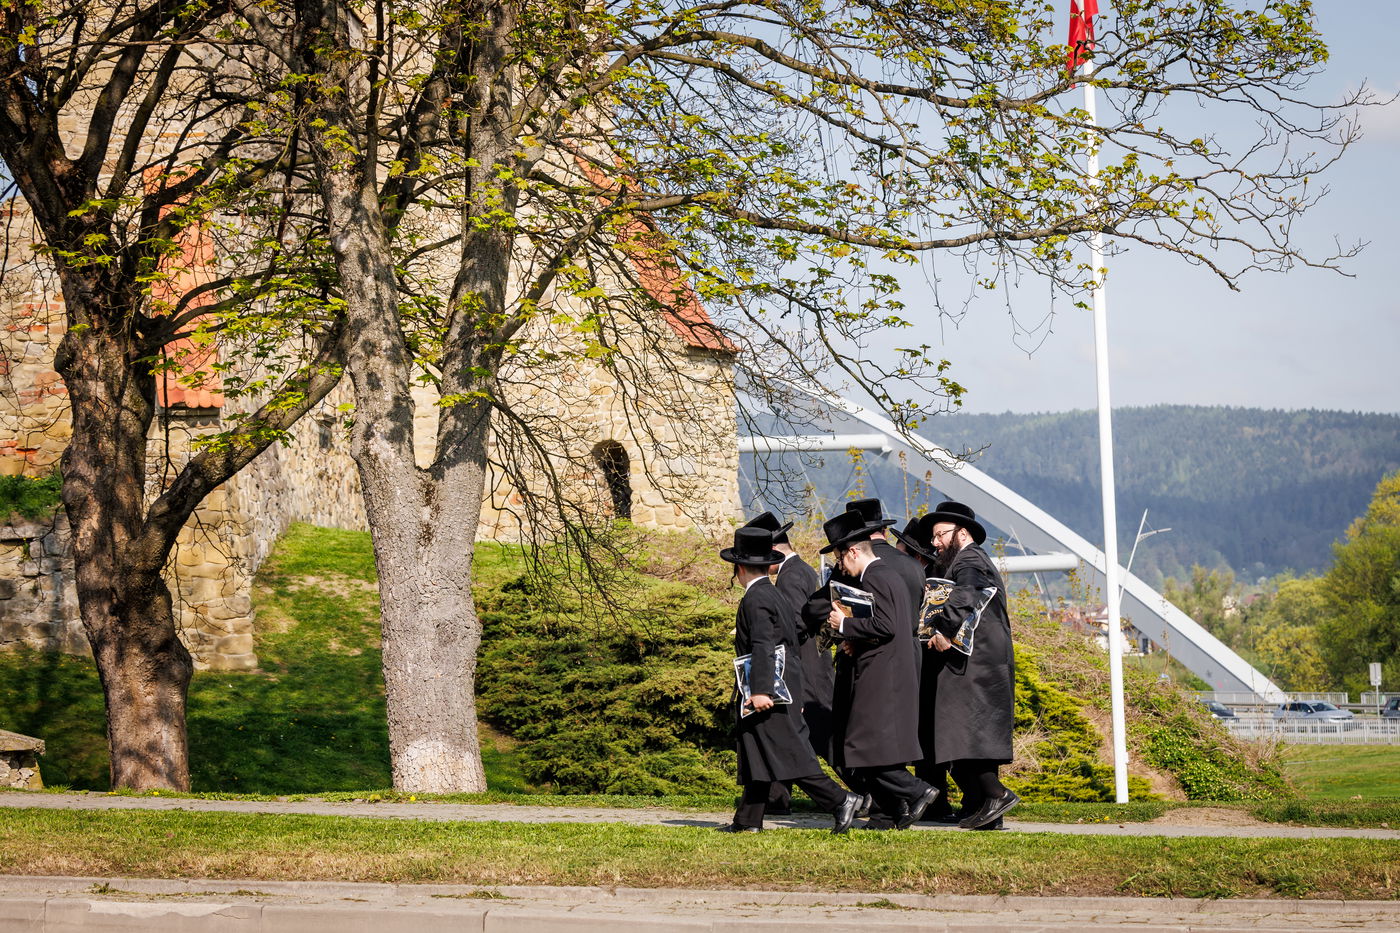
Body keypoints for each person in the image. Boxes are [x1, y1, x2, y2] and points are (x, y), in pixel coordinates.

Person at [716, 526, 861, 834]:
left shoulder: (756, 599)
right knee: (760, 748)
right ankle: (747, 820)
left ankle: (841, 800)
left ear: (738, 567)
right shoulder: (772, 593)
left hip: (770, 689)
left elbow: (764, 645)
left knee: (787, 752)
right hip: (784, 684)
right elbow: (790, 645)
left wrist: (761, 690)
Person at [818, 509, 939, 829]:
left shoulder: (874, 576)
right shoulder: (888, 573)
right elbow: (894, 625)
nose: (841, 566)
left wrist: (844, 623)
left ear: (854, 551)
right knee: (873, 748)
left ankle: (917, 792)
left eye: (841, 558)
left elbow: (884, 625)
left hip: (881, 673)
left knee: (863, 749)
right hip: (888, 666)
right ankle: (896, 811)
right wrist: (855, 639)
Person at [921, 501, 1019, 830]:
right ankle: (983, 807)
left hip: (975, 664)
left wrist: (943, 631)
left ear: (961, 533)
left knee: (964, 731)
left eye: (940, 535)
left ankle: (996, 794)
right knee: (967, 733)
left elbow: (965, 595)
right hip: (980, 662)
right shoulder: (969, 559)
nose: (934, 542)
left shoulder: (970, 560)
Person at [742, 511, 830, 817]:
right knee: (779, 739)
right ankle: (761, 809)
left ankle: (845, 799)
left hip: (797, 666)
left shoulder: (789, 577)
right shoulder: (800, 571)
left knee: (802, 741)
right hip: (796, 666)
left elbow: (790, 626)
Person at [889, 514, 957, 823]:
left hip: (925, 659)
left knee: (926, 737)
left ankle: (933, 799)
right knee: (924, 736)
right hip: (924, 659)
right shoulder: (925, 572)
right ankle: (933, 798)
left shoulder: (924, 576)